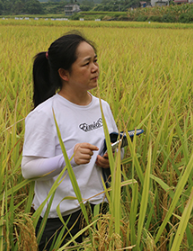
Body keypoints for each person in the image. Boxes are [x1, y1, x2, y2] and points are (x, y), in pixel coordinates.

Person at [21, 31, 119, 250]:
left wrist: (110, 158)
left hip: (99, 211)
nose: (95, 68)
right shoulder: (46, 114)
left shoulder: (103, 108)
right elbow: (28, 170)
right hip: (59, 221)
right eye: (86, 64)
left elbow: (116, 148)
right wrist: (69, 159)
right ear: (64, 73)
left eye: (95, 61)